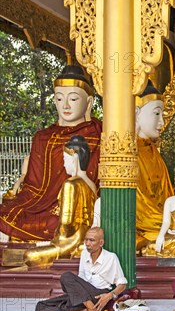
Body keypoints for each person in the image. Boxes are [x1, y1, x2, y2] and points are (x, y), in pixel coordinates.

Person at [0, 65, 101, 242]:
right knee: (8, 215)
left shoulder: (98, 134)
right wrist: (22, 181)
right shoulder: (42, 137)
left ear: (89, 102)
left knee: (56, 222)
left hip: (73, 205)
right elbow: (33, 186)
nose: (66, 105)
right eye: (60, 99)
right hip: (37, 203)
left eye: (74, 99)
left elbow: (98, 185)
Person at [35, 227, 127, 311]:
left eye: (92, 240)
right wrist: (75, 292)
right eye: (86, 240)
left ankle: (92, 310)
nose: (87, 243)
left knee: (66, 276)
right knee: (40, 306)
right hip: (83, 297)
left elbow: (122, 284)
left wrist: (109, 295)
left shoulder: (111, 257)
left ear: (101, 242)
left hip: (98, 296)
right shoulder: (84, 254)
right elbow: (81, 278)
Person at [24, 136, 97, 267]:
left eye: (65, 159)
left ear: (74, 158)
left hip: (70, 241)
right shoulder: (91, 185)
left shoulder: (71, 184)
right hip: (84, 238)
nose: (64, 164)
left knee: (29, 256)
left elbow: (67, 224)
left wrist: (55, 241)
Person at [135, 81, 175, 251]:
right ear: (136, 113)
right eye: (157, 114)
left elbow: (167, 195)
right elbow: (138, 208)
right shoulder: (128, 151)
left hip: (161, 219)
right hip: (145, 223)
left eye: (162, 115)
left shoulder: (153, 152)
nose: (161, 122)